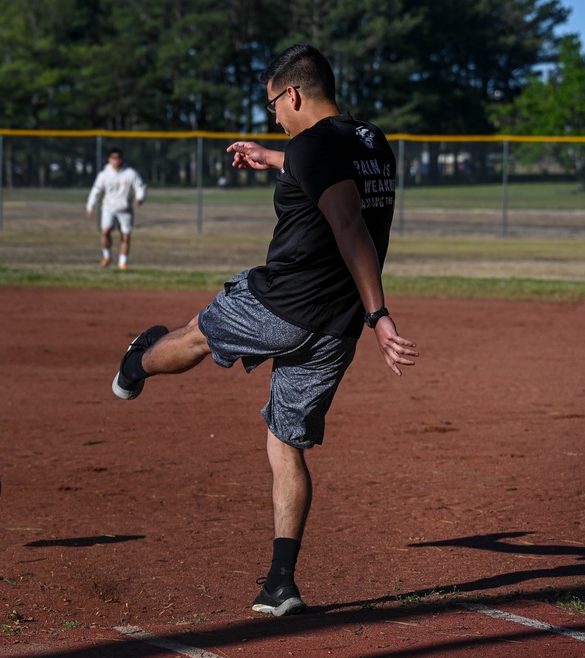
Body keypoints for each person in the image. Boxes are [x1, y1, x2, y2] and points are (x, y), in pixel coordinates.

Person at [109, 44, 419, 617]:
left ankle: (135, 363)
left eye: (274, 104)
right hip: (335, 328)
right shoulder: (371, 141)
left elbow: (348, 222)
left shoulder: (310, 145)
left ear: (293, 94)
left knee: (197, 334)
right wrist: (272, 158)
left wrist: (380, 315)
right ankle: (281, 584)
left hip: (280, 302)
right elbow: (332, 174)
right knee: (285, 443)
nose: (274, 116)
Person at [86, 148, 147, 270]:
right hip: (109, 207)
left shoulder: (130, 173)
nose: (116, 161)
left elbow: (140, 186)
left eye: (118, 158)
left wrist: (139, 198)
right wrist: (90, 205)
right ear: (109, 160)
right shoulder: (104, 174)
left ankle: (122, 263)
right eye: (113, 158)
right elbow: (96, 190)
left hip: (125, 209)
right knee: (105, 231)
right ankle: (107, 256)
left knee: (125, 236)